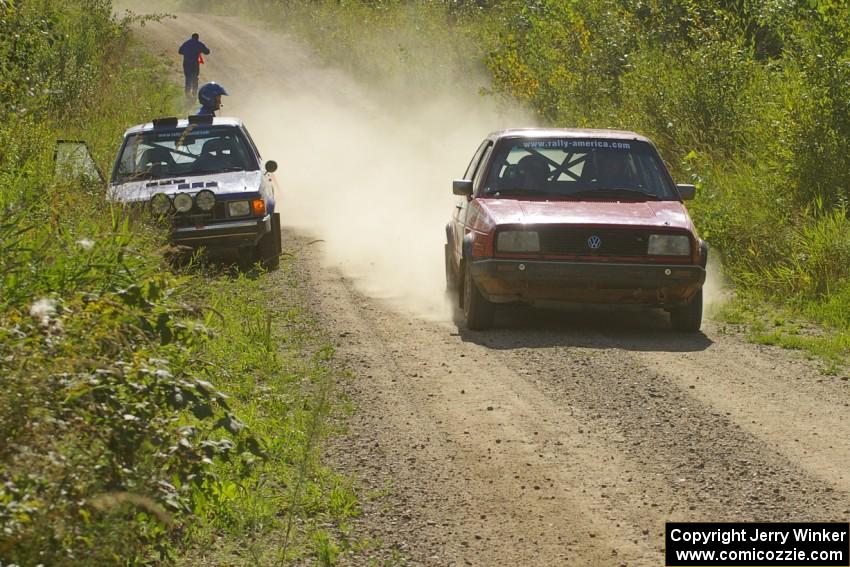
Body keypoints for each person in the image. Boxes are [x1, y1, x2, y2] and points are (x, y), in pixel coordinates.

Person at [178, 33, 210, 99]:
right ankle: (194, 93)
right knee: (195, 78)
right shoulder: (199, 44)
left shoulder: (186, 43)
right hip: (195, 64)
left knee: (188, 78)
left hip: (186, 63)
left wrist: (187, 53)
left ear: (191, 37)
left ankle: (187, 94)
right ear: (197, 38)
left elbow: (180, 51)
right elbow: (207, 52)